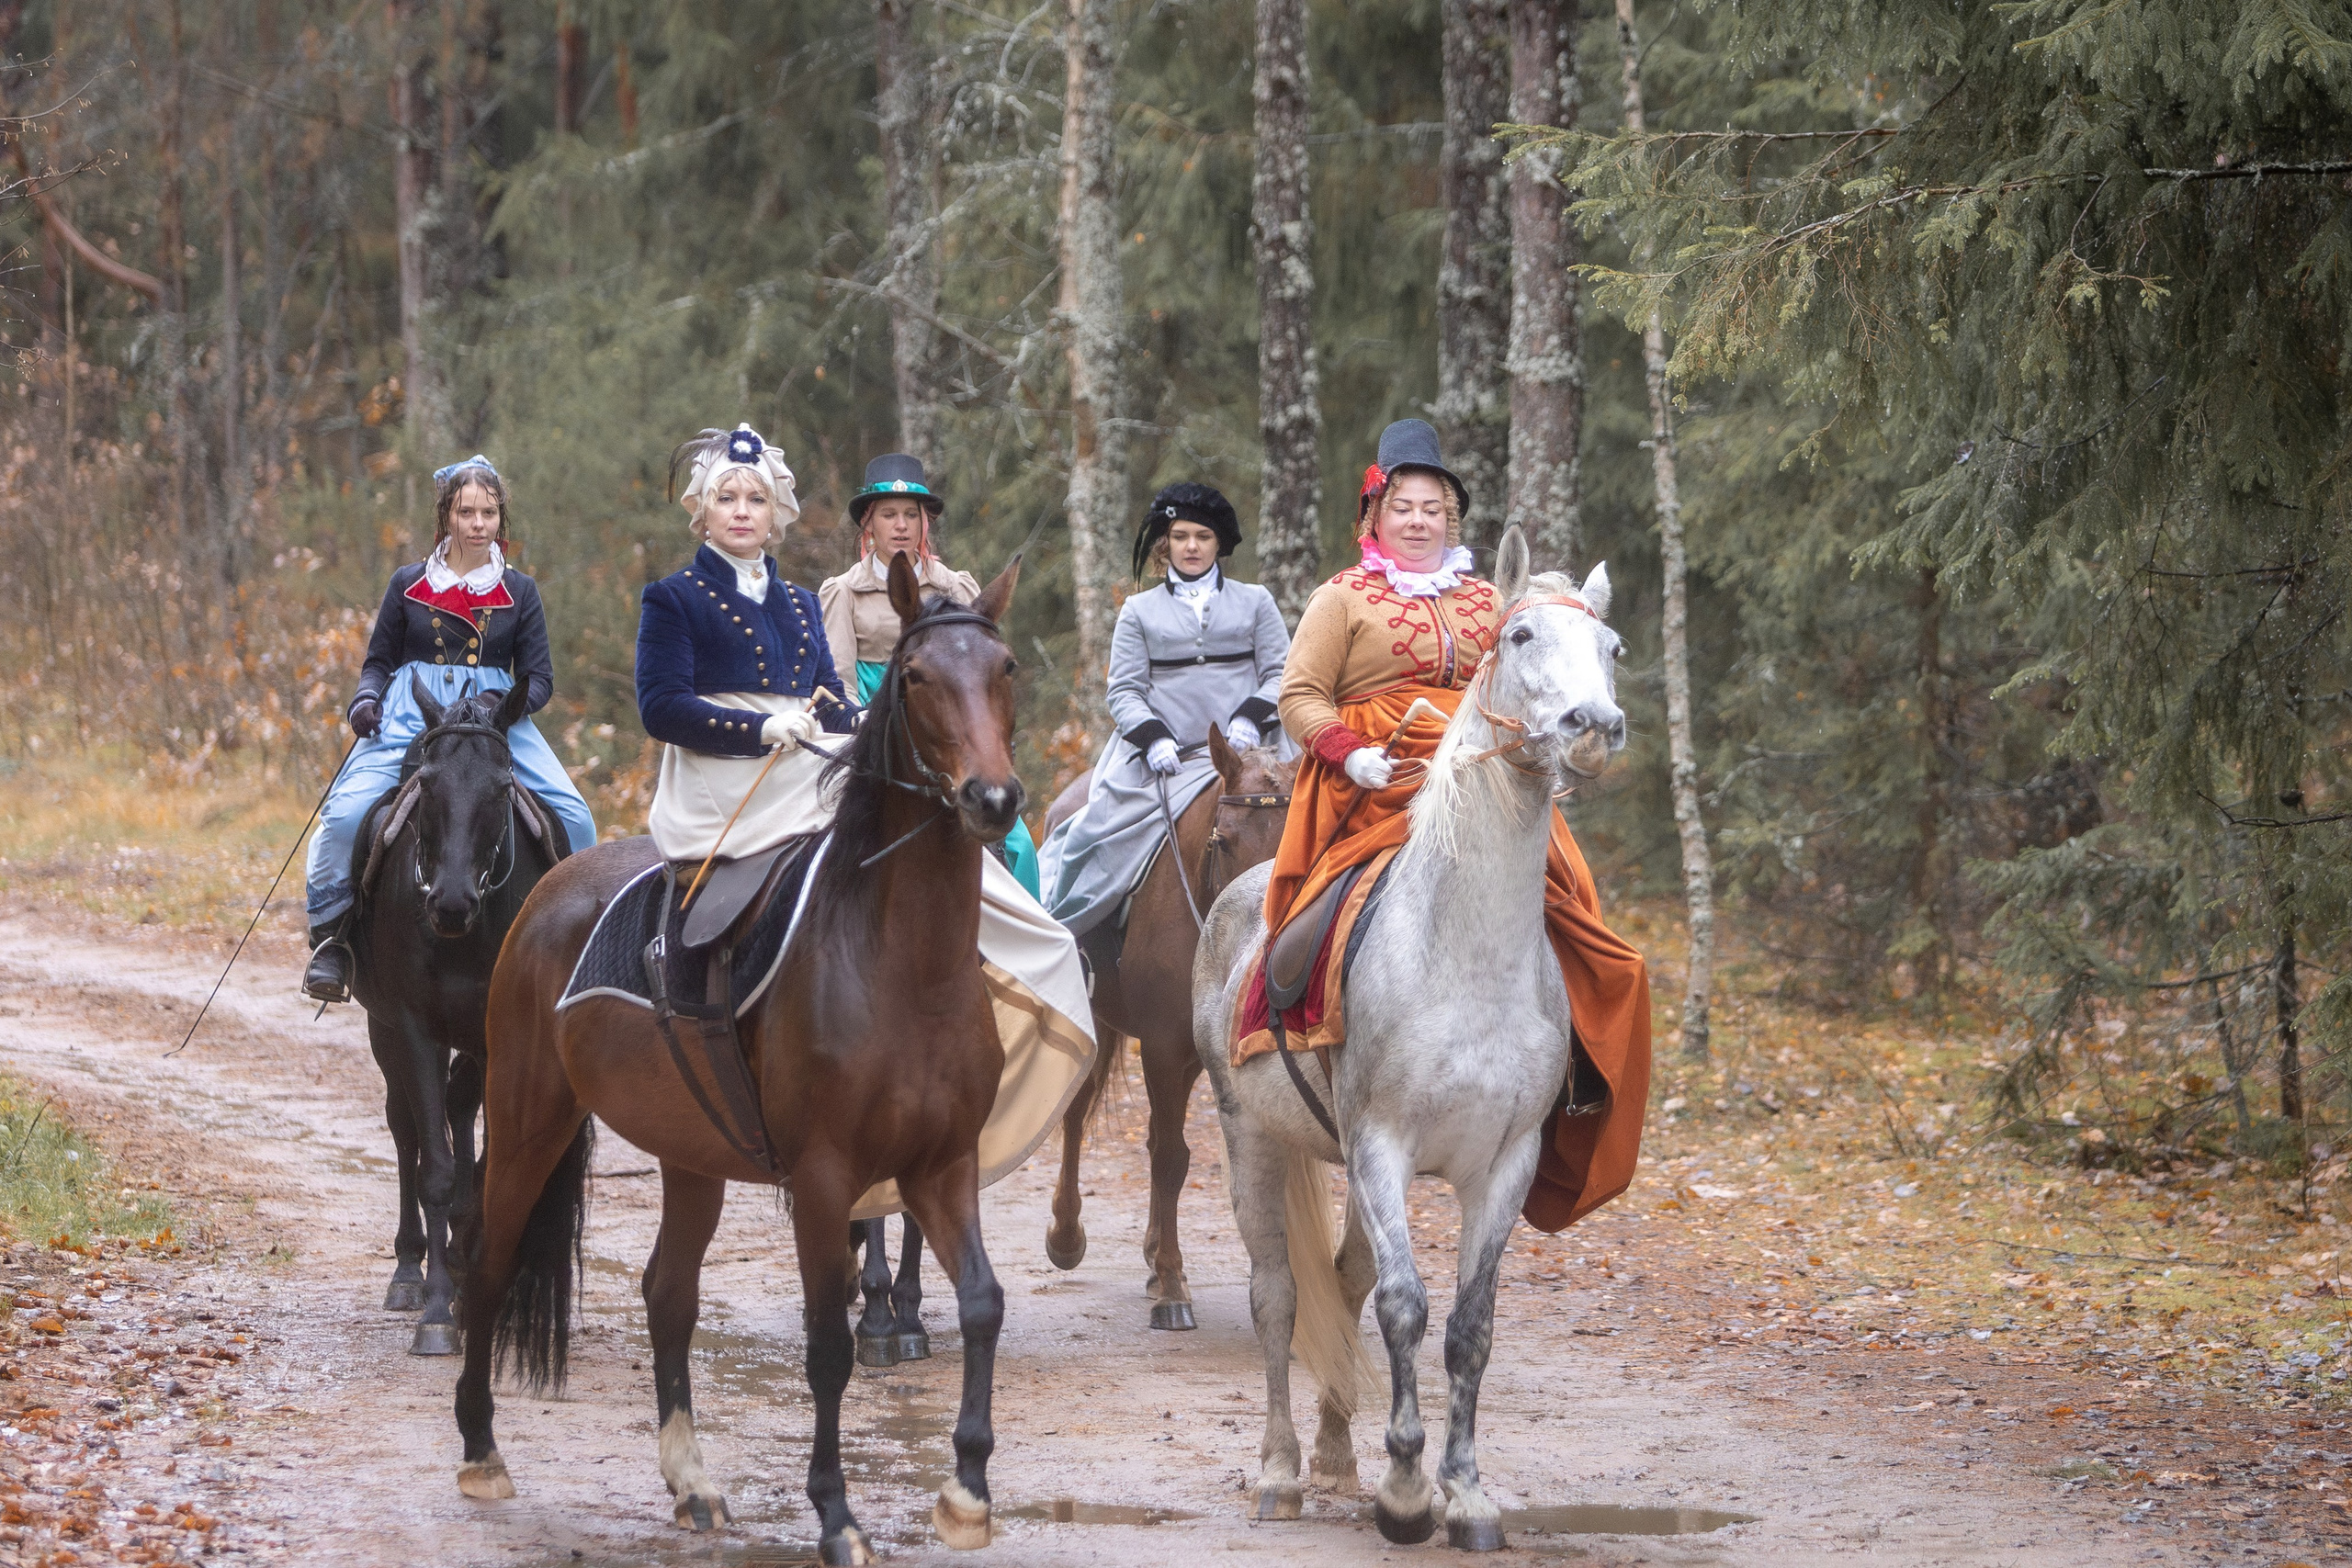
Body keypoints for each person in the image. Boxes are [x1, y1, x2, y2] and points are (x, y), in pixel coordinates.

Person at [638, 423, 1092, 1214]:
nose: (742, 511)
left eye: (755, 499)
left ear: (775, 515)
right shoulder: (674, 598)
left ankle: (1006, 966)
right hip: (722, 774)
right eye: (727, 499)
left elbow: (828, 689)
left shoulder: (791, 600)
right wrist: (756, 729)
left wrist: (846, 724)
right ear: (702, 513)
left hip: (807, 754)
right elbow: (660, 705)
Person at [1265, 418, 1652, 1233]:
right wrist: (1347, 751)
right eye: (1401, 506)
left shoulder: (1493, 601)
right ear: (1374, 516)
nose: (1417, 520)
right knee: (1315, 921)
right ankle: (1294, 1028)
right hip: (1374, 784)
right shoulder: (1342, 598)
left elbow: (1536, 682)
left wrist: (1555, 748)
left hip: (1492, 786)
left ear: (1453, 519)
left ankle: (1567, 1067)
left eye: (1433, 507)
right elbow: (1298, 696)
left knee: (1577, 908)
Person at [301, 456, 598, 1002]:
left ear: (500, 518)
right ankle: (333, 943)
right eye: (467, 512)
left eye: (488, 512)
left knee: (578, 819)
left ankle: (574, 952)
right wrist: (367, 698)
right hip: (411, 710)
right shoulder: (408, 583)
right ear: (448, 516)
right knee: (344, 816)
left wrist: (502, 703)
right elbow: (378, 661)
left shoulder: (521, 591)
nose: (479, 523)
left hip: (496, 720)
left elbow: (540, 679)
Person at [1037, 481, 1291, 938]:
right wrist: (1153, 737)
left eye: (1203, 536)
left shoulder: (1256, 601)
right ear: (1165, 543)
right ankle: (1073, 941)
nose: (1191, 546)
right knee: (1091, 839)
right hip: (1165, 758)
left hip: (1252, 754)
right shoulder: (1138, 611)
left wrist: (1250, 717)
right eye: (1180, 536)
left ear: (1219, 544)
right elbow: (1125, 691)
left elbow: (1281, 673)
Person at [820, 453, 1041, 895]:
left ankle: (1034, 943)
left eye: (910, 515)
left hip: (952, 716)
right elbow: (836, 679)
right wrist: (859, 721)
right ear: (869, 524)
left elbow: (983, 670)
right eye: (888, 515)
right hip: (877, 727)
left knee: (1018, 843)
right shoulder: (842, 592)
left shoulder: (956, 586)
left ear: (925, 524)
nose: (900, 526)